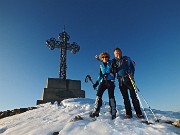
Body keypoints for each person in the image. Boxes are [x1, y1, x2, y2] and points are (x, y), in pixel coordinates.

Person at [112, 48, 144, 119]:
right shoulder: (113, 61)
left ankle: (139, 113)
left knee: (134, 96)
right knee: (125, 98)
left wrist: (132, 74)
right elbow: (107, 63)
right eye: (116, 53)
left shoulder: (127, 58)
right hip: (121, 81)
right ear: (114, 54)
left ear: (121, 52)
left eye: (119, 52)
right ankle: (128, 113)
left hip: (129, 79)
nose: (118, 54)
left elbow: (132, 67)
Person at [90, 52, 117, 120]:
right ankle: (96, 111)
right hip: (103, 82)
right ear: (101, 58)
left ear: (108, 57)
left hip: (110, 82)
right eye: (103, 57)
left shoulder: (111, 63)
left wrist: (109, 74)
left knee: (111, 96)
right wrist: (96, 82)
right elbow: (100, 75)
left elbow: (114, 71)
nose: (104, 58)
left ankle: (113, 112)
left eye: (106, 57)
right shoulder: (101, 65)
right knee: (98, 95)